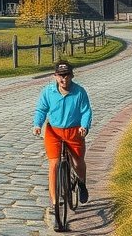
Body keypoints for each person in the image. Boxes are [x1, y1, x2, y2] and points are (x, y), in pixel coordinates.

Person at [32, 59, 92, 209]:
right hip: (54, 131)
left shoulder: (79, 92)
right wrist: (37, 125)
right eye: (60, 76)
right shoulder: (48, 92)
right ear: (55, 76)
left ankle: (82, 183)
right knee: (54, 164)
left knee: (78, 161)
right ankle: (54, 202)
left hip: (74, 131)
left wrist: (84, 126)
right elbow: (41, 109)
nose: (63, 79)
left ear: (72, 76)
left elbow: (86, 111)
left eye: (66, 75)